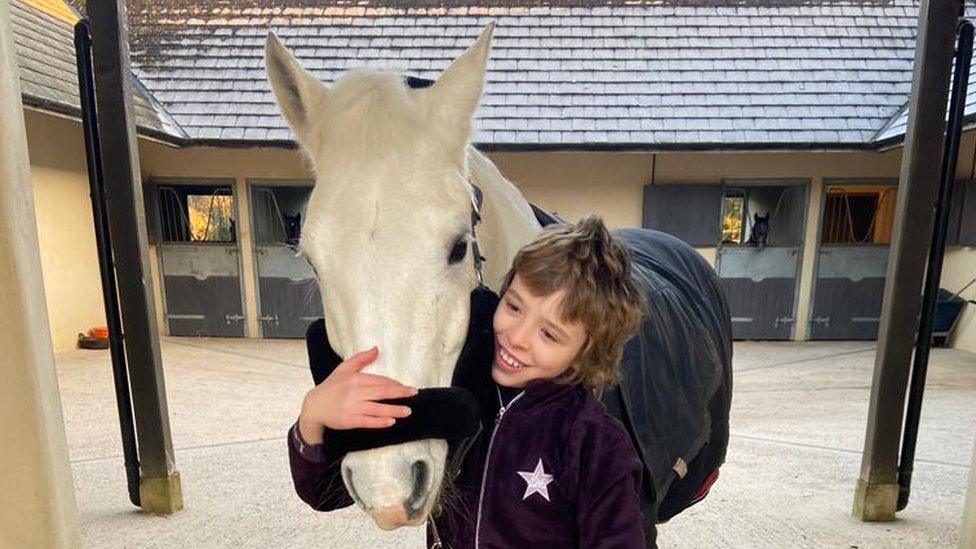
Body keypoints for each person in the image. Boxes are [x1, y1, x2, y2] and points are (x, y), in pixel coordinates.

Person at [288, 214, 648, 548]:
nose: (517, 337)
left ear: (588, 353)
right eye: (514, 307)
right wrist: (313, 419)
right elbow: (326, 492)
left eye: (549, 335)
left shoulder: (596, 444)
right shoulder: (456, 384)